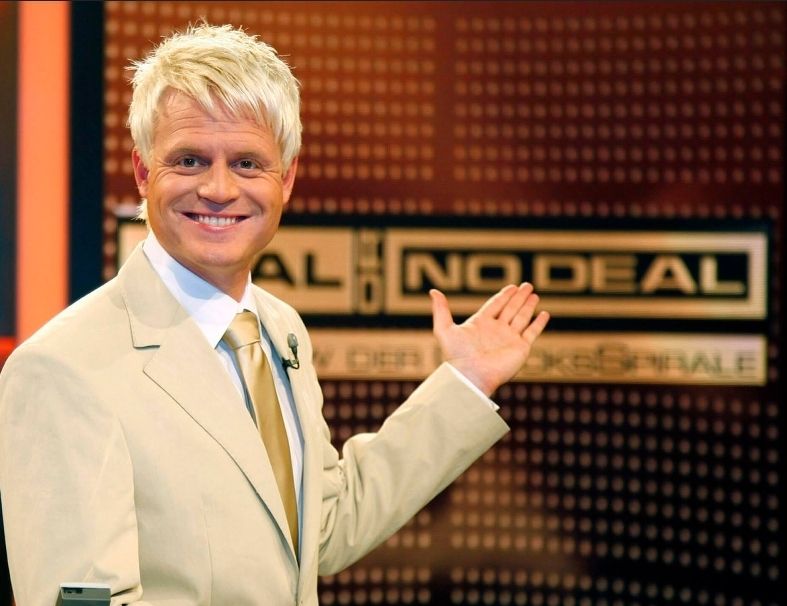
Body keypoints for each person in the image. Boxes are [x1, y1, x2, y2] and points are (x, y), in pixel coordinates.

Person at [0, 23, 549, 606]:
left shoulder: (279, 328)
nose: (218, 189)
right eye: (189, 160)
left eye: (246, 163)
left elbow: (324, 529)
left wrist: (465, 383)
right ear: (143, 173)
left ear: (286, 178)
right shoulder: (62, 370)